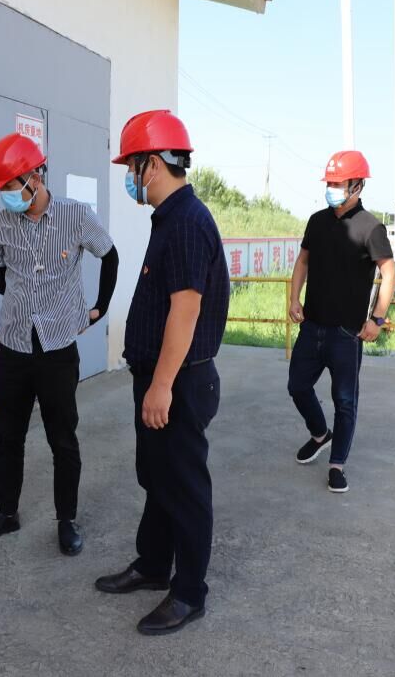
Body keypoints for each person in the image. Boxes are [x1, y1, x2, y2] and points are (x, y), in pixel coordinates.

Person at [94, 110, 229, 636]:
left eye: (131, 166)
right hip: (162, 377)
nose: (129, 177)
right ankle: (153, 564)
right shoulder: (170, 218)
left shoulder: (188, 222)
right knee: (157, 477)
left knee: (185, 487)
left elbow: (186, 310)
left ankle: (189, 593)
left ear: (152, 164)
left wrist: (162, 385)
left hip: (180, 381)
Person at [0, 133, 118, 557]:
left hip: (57, 353)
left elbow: (109, 255)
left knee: (62, 439)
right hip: (11, 347)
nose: (6, 195)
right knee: (8, 438)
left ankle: (66, 519)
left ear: (35, 177)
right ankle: (6, 514)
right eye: (1, 188)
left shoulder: (76, 216)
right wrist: (23, 301)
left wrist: (99, 308)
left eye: (10, 186)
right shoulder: (2, 223)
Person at [286, 151, 395, 493]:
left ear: (358, 186)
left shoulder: (371, 227)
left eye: (338, 183)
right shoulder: (316, 221)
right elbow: (303, 261)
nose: (332, 189)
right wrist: (294, 298)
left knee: (345, 401)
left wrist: (377, 318)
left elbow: (389, 272)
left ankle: (337, 464)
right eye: (330, 183)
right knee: (297, 386)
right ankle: (321, 434)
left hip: (347, 333)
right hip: (312, 326)